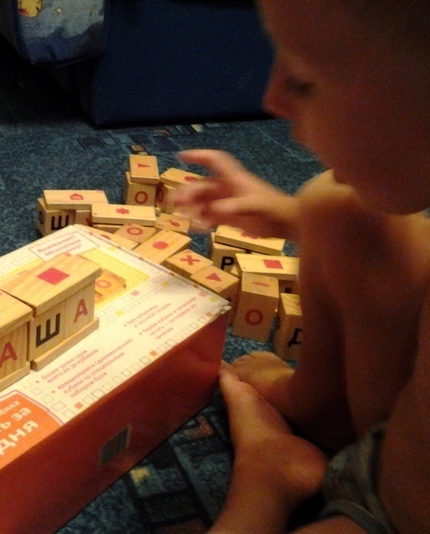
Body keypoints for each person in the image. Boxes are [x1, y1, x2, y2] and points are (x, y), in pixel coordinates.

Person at [173, 1, 430, 532]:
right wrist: (289, 216)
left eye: (304, 79)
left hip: (403, 510)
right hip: (398, 436)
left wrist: (254, 507)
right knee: (333, 206)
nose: (271, 99)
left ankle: (266, 479)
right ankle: (317, 414)